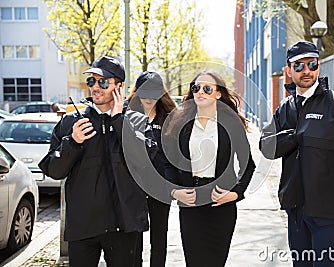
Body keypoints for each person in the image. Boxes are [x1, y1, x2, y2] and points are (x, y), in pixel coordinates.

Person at [259, 41, 334, 267]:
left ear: (318, 67)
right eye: (299, 66)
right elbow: (266, 146)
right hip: (296, 210)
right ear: (289, 70)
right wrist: (295, 137)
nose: (306, 71)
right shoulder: (286, 108)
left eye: (312, 64)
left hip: (328, 211)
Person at [39, 55, 149, 267]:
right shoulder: (72, 122)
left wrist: (118, 121)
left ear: (119, 86)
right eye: (91, 81)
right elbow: (54, 170)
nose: (95, 87)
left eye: (103, 82)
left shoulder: (136, 120)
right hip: (84, 227)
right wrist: (72, 142)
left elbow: (145, 162)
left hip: (123, 226)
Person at [164, 70, 256, 267]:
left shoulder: (231, 124)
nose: (200, 92)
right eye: (196, 88)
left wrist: (235, 194)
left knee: (216, 262)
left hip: (221, 205)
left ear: (218, 94)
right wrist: (175, 192)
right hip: (191, 205)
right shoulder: (180, 123)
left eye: (207, 88)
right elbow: (168, 164)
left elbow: (248, 165)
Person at [128, 71, 177, 267]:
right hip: (134, 189)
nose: (149, 97)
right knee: (134, 240)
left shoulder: (170, 119)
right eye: (144, 92)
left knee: (159, 239)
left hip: (160, 190)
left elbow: (174, 157)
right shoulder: (128, 115)